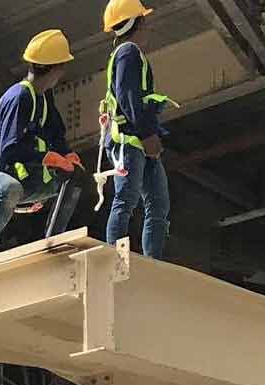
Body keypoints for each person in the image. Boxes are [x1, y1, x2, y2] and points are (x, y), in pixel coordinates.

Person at [0, 30, 85, 261]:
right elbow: (9, 150)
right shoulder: (18, 97)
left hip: (20, 177)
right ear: (56, 68)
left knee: (73, 178)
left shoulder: (43, 97)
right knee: (10, 189)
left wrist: (67, 154)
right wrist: (50, 158)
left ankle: (52, 239)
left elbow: (55, 132)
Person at [100, 0, 173, 259]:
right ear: (138, 23)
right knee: (127, 199)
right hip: (129, 141)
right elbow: (128, 96)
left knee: (158, 203)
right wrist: (148, 135)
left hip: (139, 141)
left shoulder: (128, 53)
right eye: (145, 21)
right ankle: (116, 259)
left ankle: (152, 262)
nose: (148, 27)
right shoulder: (128, 52)